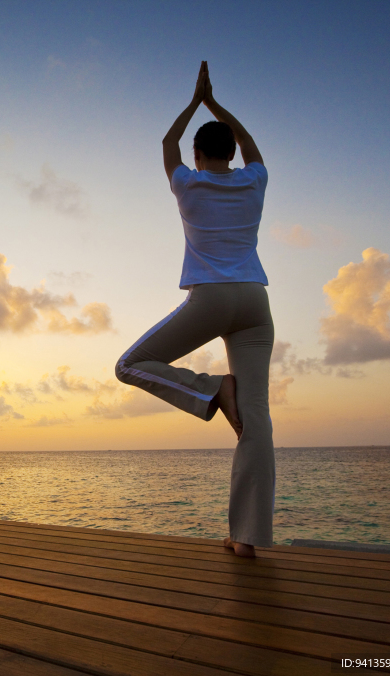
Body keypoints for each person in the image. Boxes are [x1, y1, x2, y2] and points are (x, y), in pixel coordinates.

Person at [115, 61, 274, 559]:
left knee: (128, 365)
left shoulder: (187, 183)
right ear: (231, 152)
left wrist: (194, 101)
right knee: (257, 420)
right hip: (255, 301)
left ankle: (211, 391)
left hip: (211, 297)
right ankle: (247, 539)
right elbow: (252, 148)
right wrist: (217, 106)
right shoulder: (255, 182)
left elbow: (167, 144)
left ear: (198, 154)